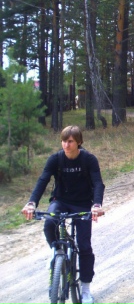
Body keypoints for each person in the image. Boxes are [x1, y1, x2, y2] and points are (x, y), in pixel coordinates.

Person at [22, 125, 105, 304]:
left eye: (70, 141)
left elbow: (98, 183)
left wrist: (97, 205)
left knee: (84, 245)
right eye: (64, 141)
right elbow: (43, 180)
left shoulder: (89, 159)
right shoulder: (56, 159)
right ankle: (57, 253)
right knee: (49, 224)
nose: (66, 145)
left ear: (79, 142)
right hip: (60, 201)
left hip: (83, 204)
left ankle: (85, 290)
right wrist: (31, 203)